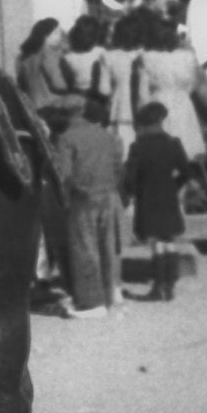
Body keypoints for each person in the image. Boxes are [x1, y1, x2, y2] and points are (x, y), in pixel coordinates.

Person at [54, 96, 125, 318]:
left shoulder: (66, 138)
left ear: (64, 115)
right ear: (83, 110)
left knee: (85, 249)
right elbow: (118, 165)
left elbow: (63, 174)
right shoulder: (105, 135)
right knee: (108, 247)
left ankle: (91, 304)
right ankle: (111, 296)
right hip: (110, 194)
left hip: (83, 197)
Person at [122, 101, 191, 301]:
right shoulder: (173, 143)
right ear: (161, 121)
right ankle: (169, 286)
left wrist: (131, 193)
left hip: (148, 198)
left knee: (157, 243)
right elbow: (187, 172)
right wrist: (174, 186)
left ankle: (158, 286)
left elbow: (130, 179)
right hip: (169, 196)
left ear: (143, 124)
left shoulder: (138, 147)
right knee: (169, 240)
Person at [134, 16, 205, 159]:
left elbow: (142, 93)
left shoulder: (147, 58)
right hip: (182, 101)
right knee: (186, 143)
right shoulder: (187, 57)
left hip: (158, 101)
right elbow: (191, 84)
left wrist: (141, 113)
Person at [102, 13, 145, 148]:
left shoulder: (108, 57)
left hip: (120, 108)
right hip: (148, 109)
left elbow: (104, 90)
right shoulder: (147, 56)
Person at [16, 18, 71, 113]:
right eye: (56, 33)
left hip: (31, 106)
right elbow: (60, 85)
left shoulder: (22, 57)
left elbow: (22, 84)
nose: (60, 36)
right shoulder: (48, 54)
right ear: (46, 36)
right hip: (50, 105)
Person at [60, 15, 109, 102]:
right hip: (99, 96)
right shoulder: (101, 52)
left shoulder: (67, 58)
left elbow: (68, 83)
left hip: (78, 95)